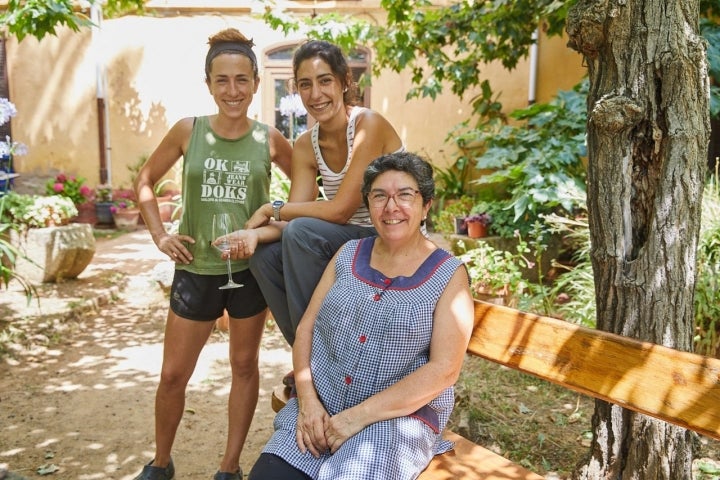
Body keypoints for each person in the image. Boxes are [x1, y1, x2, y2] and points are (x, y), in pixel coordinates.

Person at [245, 151, 474, 479]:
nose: (391, 207)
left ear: (426, 205)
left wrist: (357, 418)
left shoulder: (449, 274)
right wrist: (308, 402)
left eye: (405, 195)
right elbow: (307, 327)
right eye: (379, 196)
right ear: (368, 204)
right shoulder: (348, 254)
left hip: (393, 423)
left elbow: (443, 370)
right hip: (321, 408)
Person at [131, 28, 292, 480]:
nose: (233, 90)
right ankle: (161, 463)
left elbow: (308, 186)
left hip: (248, 272)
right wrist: (160, 235)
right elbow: (144, 181)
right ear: (208, 84)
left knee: (244, 366)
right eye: (222, 80)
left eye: (242, 79)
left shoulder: (270, 140)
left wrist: (275, 223)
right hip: (195, 269)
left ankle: (229, 467)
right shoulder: (189, 130)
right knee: (171, 376)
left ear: (257, 83)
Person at [241, 40, 405, 357]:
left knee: (301, 232)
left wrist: (271, 208)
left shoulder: (367, 126)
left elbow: (340, 210)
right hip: (348, 240)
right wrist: (252, 234)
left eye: (325, 80)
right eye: (305, 84)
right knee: (263, 257)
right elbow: (293, 219)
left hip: (388, 234)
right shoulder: (306, 145)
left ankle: (315, 360)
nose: (316, 94)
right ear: (297, 90)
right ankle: (313, 357)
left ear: (344, 82)